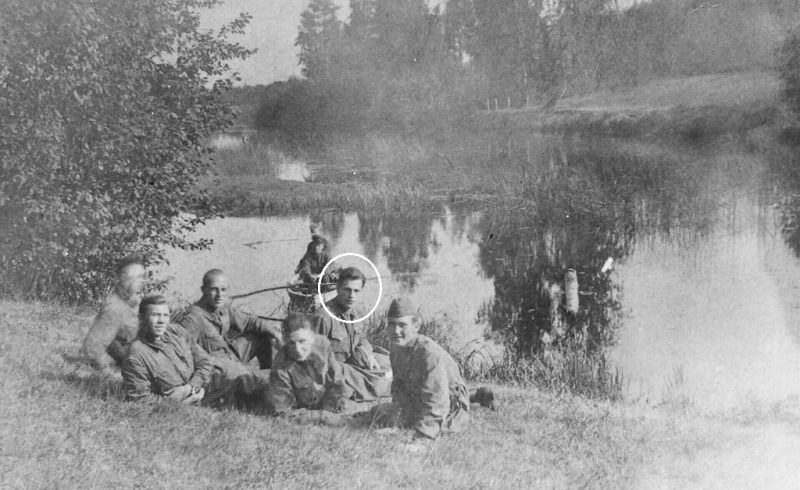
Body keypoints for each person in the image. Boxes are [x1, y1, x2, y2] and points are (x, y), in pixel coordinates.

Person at [122, 295, 270, 409]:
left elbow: (205, 360)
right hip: (209, 395)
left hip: (217, 376)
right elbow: (141, 400)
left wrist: (190, 387)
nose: (162, 321)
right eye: (155, 315)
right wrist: (176, 401)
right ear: (141, 318)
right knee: (265, 393)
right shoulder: (136, 356)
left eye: (165, 315)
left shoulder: (176, 332)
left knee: (268, 381)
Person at [371, 297, 470, 439]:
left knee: (440, 425)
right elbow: (399, 389)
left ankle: (478, 396)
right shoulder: (396, 346)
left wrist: (423, 437)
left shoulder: (429, 353)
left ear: (416, 326)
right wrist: (396, 423)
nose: (396, 331)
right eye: (391, 324)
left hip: (449, 403)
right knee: (377, 413)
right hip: (419, 398)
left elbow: (438, 400)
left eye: (402, 325)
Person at [269, 313, 391, 424]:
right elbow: (285, 414)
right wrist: (323, 416)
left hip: (345, 380)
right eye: (291, 343)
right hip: (318, 404)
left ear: (311, 337)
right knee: (369, 412)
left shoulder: (322, 344)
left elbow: (336, 378)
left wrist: (335, 401)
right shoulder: (280, 370)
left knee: (383, 387)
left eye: (302, 341)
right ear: (285, 341)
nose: (297, 349)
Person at [179, 269, 282, 370]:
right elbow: (182, 351)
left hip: (230, 355)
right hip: (216, 368)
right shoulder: (193, 318)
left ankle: (268, 373)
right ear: (203, 290)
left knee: (262, 336)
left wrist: (277, 334)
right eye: (214, 289)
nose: (219, 295)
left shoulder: (222, 307)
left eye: (223, 290)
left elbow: (249, 322)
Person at [82, 255, 146, 372]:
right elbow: (92, 348)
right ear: (123, 278)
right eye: (138, 277)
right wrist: (111, 373)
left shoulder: (135, 301)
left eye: (143, 277)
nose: (143, 281)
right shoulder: (114, 309)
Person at [312, 266, 384, 370]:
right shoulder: (323, 317)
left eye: (356, 291)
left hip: (351, 370)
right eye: (347, 289)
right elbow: (314, 359)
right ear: (338, 288)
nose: (351, 295)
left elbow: (362, 340)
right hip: (333, 373)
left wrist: (368, 354)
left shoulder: (354, 314)